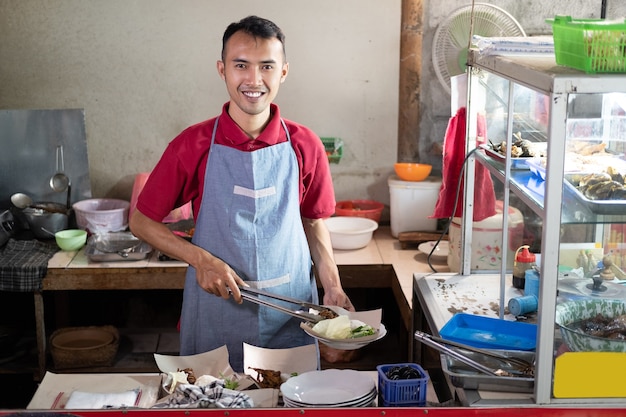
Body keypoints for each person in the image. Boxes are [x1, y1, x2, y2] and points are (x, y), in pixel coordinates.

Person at [130, 15, 354, 371]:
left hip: (291, 311)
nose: (253, 80)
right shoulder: (193, 144)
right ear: (222, 69)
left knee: (290, 404)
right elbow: (140, 221)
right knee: (214, 402)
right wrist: (201, 260)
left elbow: (313, 222)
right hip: (216, 313)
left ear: (283, 72)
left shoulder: (305, 144)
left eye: (266, 66)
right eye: (241, 65)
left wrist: (333, 287)